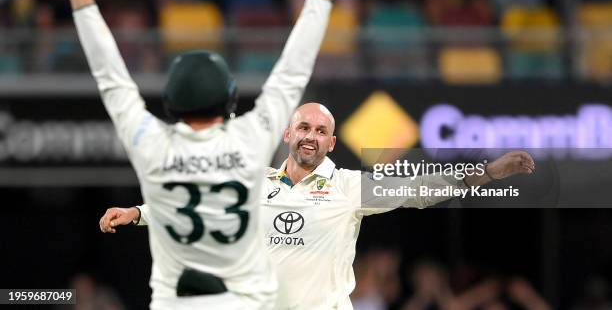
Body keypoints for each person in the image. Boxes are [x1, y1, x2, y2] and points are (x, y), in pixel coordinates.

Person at [53, 0, 356, 310]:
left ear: (171, 104)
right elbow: (294, 68)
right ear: (230, 102)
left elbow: (109, 75)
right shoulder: (250, 138)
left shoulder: (152, 144)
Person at [101, 103, 535, 310]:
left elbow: (421, 188)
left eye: (320, 130)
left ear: (330, 142)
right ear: (289, 135)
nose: (311, 135)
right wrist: (139, 214)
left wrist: (489, 173)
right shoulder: (255, 185)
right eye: (304, 126)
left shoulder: (349, 187)